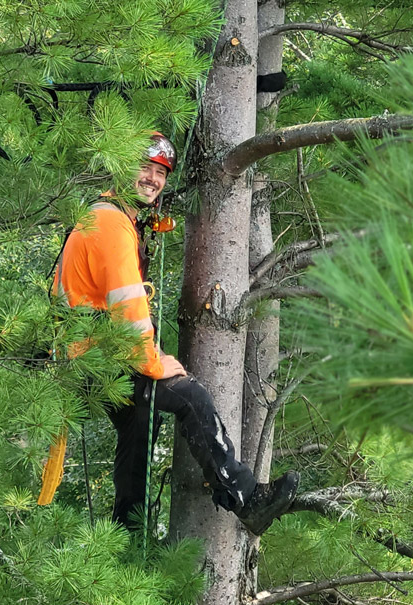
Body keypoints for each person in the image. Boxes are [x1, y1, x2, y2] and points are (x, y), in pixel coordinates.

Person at [52, 132, 299, 536]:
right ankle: (245, 497)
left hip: (85, 354)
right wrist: (152, 362)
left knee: (139, 427)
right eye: (144, 169)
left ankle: (128, 534)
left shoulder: (112, 216)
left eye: (159, 173)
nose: (152, 179)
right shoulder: (111, 223)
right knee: (190, 395)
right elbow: (128, 305)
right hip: (95, 357)